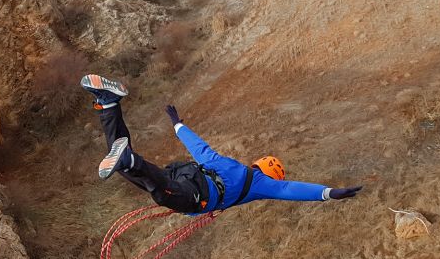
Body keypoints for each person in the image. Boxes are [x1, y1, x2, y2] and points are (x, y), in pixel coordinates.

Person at [80, 74, 362, 214]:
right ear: (270, 175)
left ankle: (109, 104)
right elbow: (290, 189)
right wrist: (328, 193)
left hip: (187, 174)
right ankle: (131, 160)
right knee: (159, 192)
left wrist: (178, 125)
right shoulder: (259, 185)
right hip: (196, 193)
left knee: (125, 167)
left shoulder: (226, 163)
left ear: (258, 163)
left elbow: (199, 148)